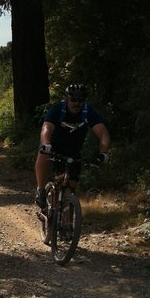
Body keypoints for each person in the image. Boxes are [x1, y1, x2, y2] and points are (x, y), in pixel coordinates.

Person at [34, 83, 111, 213]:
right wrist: (46, 144)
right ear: (67, 99)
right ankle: (40, 189)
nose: (77, 103)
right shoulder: (57, 108)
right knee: (43, 155)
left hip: (73, 150)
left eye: (80, 100)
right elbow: (46, 128)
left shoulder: (88, 111)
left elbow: (103, 133)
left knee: (71, 186)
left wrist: (104, 153)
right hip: (54, 147)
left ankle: (65, 223)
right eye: (73, 100)